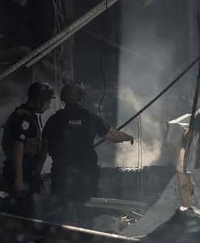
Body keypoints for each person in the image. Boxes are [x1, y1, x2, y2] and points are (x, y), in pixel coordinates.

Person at [44, 82, 134, 226]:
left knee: (60, 213)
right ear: (81, 98)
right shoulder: (90, 118)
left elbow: (44, 146)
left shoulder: (54, 119)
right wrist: (128, 137)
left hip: (62, 174)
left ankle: (62, 241)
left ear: (63, 99)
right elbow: (113, 136)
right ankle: (85, 241)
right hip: (85, 175)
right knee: (84, 214)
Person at [1, 81, 54, 218]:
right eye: (48, 102)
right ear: (39, 101)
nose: (49, 106)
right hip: (21, 172)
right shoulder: (24, 118)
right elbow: (19, 146)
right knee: (22, 213)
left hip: (27, 172)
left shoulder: (29, 116)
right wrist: (19, 179)